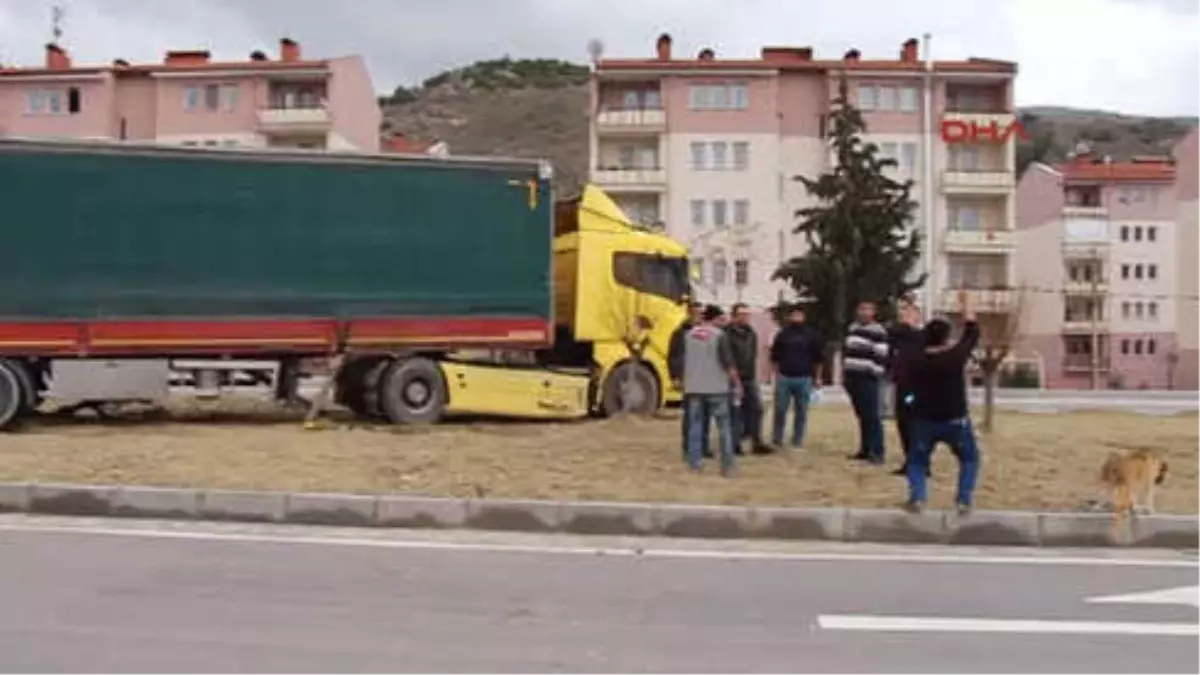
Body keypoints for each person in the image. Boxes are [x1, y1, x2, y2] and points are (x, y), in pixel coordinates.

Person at [906, 290, 981, 515]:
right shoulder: (955, 357)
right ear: (947, 338)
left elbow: (910, 336)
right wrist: (966, 305)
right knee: (969, 459)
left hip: (924, 420)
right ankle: (963, 500)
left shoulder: (916, 358)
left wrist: (911, 313)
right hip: (955, 419)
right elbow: (971, 333)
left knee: (917, 461)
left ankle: (918, 497)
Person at [682, 305, 741, 477]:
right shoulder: (719, 336)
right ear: (714, 319)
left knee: (695, 427)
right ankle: (727, 466)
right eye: (721, 319)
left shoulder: (688, 335)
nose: (723, 323)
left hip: (694, 387)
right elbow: (727, 362)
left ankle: (694, 464)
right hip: (717, 388)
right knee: (724, 428)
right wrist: (736, 383)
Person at [769, 304, 823, 451]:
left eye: (799, 315)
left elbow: (818, 359)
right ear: (790, 317)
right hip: (785, 377)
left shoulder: (811, 335)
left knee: (802, 411)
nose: (797, 318)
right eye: (794, 315)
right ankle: (777, 438)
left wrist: (818, 378)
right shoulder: (783, 334)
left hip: (804, 378)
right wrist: (776, 375)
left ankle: (797, 440)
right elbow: (774, 357)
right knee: (780, 409)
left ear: (804, 317)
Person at [842, 300, 889, 465]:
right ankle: (865, 449)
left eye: (867, 310)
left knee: (872, 416)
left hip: (867, 378)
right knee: (862, 415)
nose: (863, 312)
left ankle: (878, 451)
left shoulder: (878, 331)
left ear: (873, 313)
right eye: (861, 309)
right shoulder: (853, 328)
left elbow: (881, 355)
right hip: (852, 377)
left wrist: (874, 373)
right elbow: (848, 351)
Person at [887, 296, 929, 477]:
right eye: (902, 310)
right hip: (901, 385)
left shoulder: (922, 336)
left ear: (918, 316)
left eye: (908, 310)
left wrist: (907, 322)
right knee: (903, 424)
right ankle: (910, 461)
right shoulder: (897, 335)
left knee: (914, 424)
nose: (903, 314)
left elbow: (907, 334)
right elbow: (891, 337)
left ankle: (922, 463)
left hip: (916, 388)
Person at [726, 303, 769, 455]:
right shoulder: (726, 334)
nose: (745, 317)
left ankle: (756, 442)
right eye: (741, 314)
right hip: (733, 379)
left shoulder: (751, 333)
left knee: (757, 409)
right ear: (733, 316)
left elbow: (753, 355)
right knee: (735, 412)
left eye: (747, 314)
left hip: (749, 377)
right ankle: (734, 444)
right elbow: (727, 356)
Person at [669, 302, 710, 459]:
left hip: (706, 378)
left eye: (702, 313)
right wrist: (675, 377)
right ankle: (688, 447)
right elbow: (673, 356)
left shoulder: (707, 333)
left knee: (705, 414)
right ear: (689, 313)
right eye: (696, 313)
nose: (699, 316)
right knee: (691, 414)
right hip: (689, 378)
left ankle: (703, 447)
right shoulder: (680, 333)